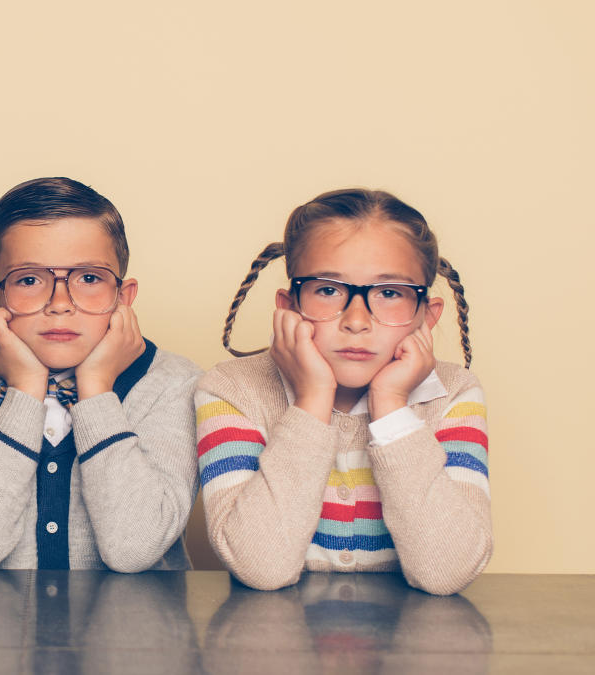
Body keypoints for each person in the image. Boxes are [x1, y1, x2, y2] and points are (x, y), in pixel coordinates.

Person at [196, 188, 491, 594]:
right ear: (288, 307)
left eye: (389, 293)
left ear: (426, 316)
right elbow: (260, 567)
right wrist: (312, 398)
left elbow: (447, 573)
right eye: (328, 289)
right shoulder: (232, 390)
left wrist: (391, 406)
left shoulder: (453, 394)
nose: (357, 320)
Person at [0, 177, 202, 572]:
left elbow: (134, 550)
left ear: (123, 298)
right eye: (29, 280)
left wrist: (96, 390)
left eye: (89, 278)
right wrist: (24, 390)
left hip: (139, 632)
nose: (59, 304)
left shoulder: (175, 383)